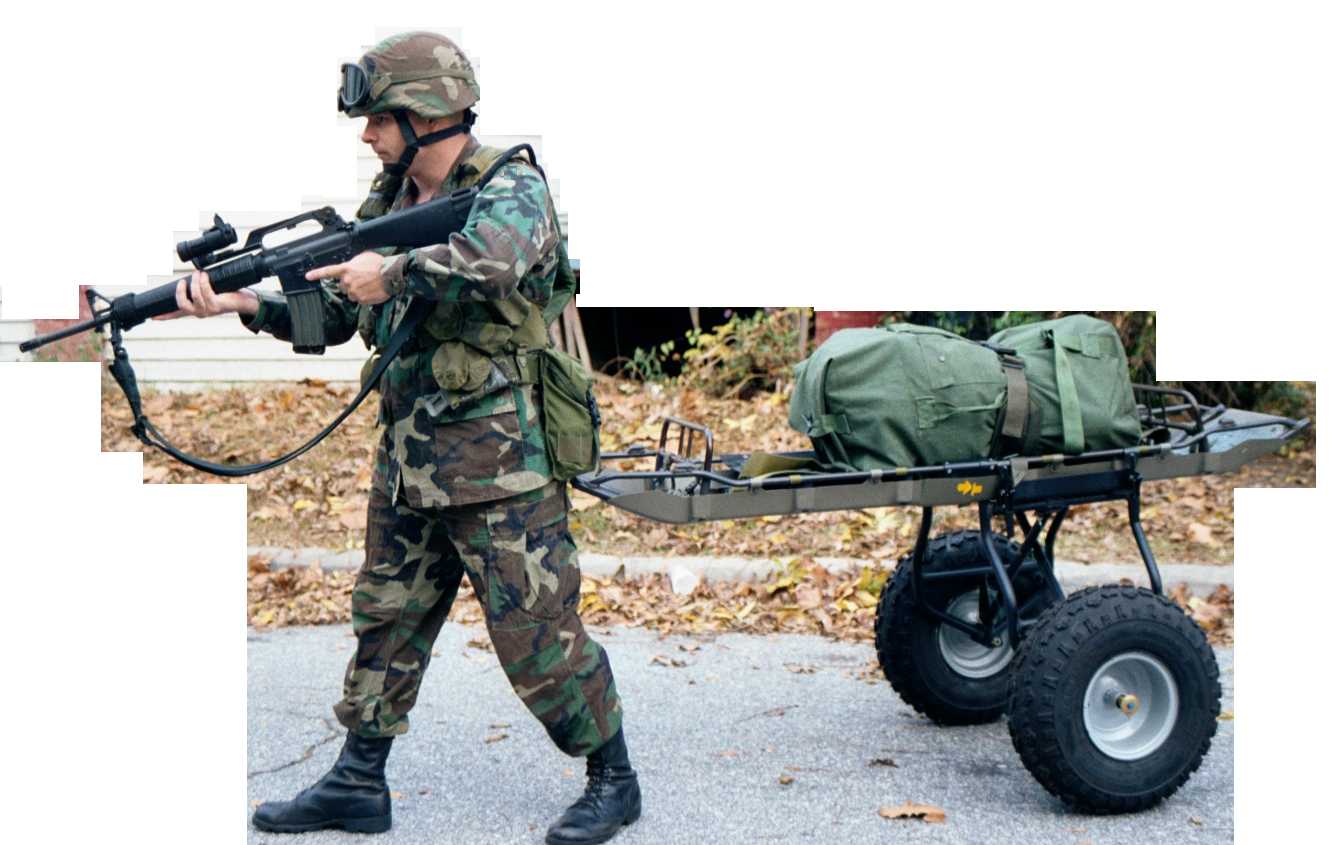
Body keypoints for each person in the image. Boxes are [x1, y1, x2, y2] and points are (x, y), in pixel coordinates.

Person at [162, 31, 640, 845]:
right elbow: (346, 314)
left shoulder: (508, 185)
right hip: (412, 460)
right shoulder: (388, 204)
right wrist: (250, 307)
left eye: (378, 116)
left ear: (423, 112)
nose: (367, 133)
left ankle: (613, 778)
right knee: (386, 618)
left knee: (538, 633)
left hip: (500, 465)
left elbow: (494, 259)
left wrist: (393, 271)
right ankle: (356, 780)